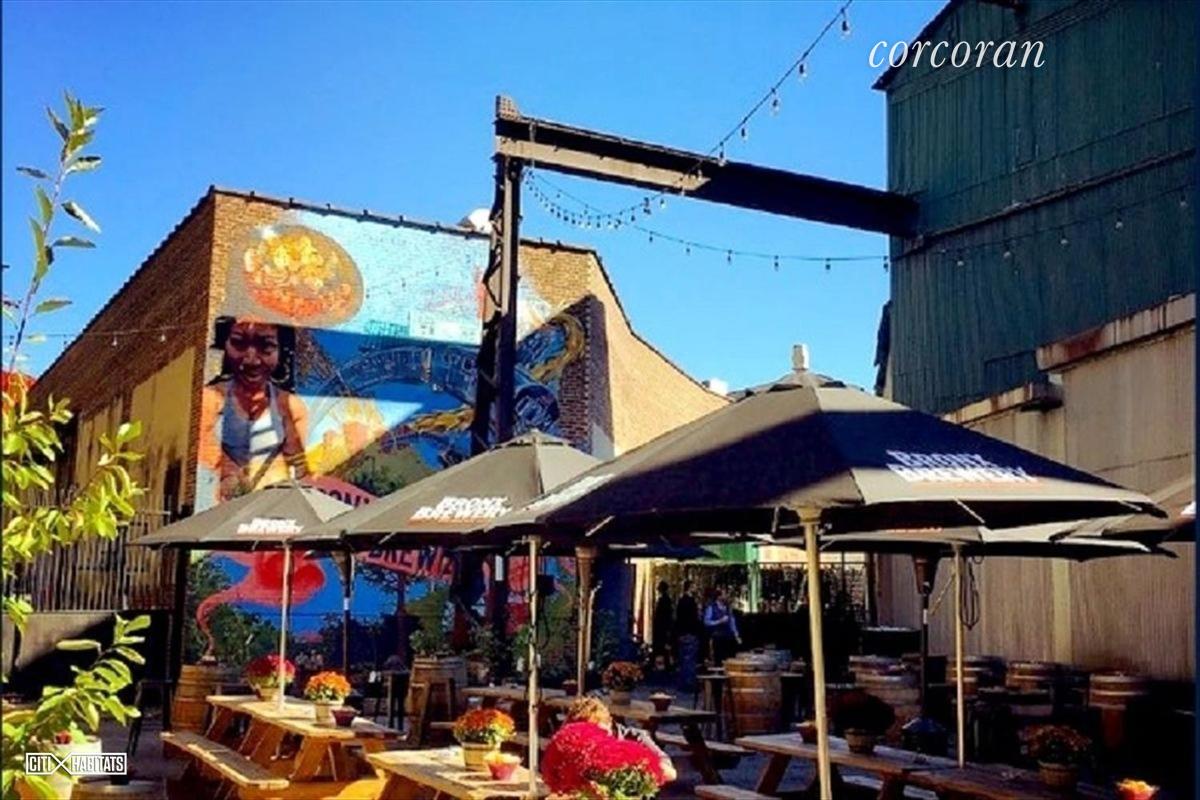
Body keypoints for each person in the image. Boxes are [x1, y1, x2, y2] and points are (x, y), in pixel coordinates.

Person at [199, 317, 309, 502]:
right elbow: (203, 447)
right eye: (238, 344)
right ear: (224, 345)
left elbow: (298, 466)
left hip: (269, 506)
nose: (251, 360)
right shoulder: (210, 399)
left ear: (281, 350)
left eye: (266, 347)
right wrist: (229, 474)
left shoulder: (290, 406)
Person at [564, 696, 677, 782]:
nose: (596, 740)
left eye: (599, 732)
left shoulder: (636, 737)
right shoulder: (573, 745)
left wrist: (629, 759)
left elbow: (671, 773)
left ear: (609, 723)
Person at [674, 580, 701, 691]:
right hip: (690, 633)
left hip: (682, 633)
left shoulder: (681, 601)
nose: (695, 588)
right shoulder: (691, 602)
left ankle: (683, 682)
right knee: (690, 659)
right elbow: (693, 619)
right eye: (694, 586)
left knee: (684, 659)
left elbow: (678, 618)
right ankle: (689, 683)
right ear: (690, 588)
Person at [703, 588, 741, 666]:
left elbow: (732, 622)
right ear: (719, 596)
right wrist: (719, 621)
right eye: (724, 594)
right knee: (718, 660)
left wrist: (736, 635)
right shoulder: (711, 607)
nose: (726, 596)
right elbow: (707, 622)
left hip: (728, 636)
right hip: (717, 637)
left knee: (729, 660)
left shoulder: (727, 608)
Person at [651, 581, 674, 671]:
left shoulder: (664, 600)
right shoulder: (666, 600)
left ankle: (662, 664)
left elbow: (663, 615)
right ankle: (666, 664)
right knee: (663, 647)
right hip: (663, 628)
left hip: (661, 628)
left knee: (661, 646)